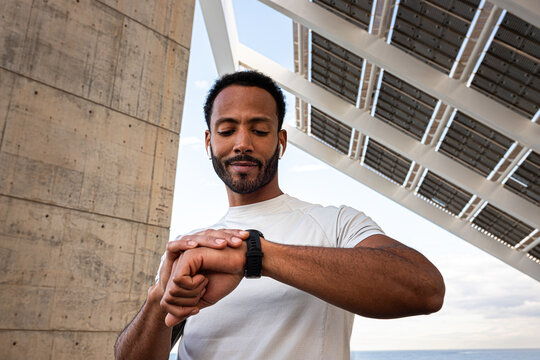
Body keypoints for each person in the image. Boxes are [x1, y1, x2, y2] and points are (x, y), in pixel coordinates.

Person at [114, 71, 445, 360]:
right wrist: (158, 300)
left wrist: (255, 256)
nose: (242, 143)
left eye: (259, 130)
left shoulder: (337, 224)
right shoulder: (194, 249)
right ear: (208, 141)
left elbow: (425, 289)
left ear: (281, 142)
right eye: (227, 130)